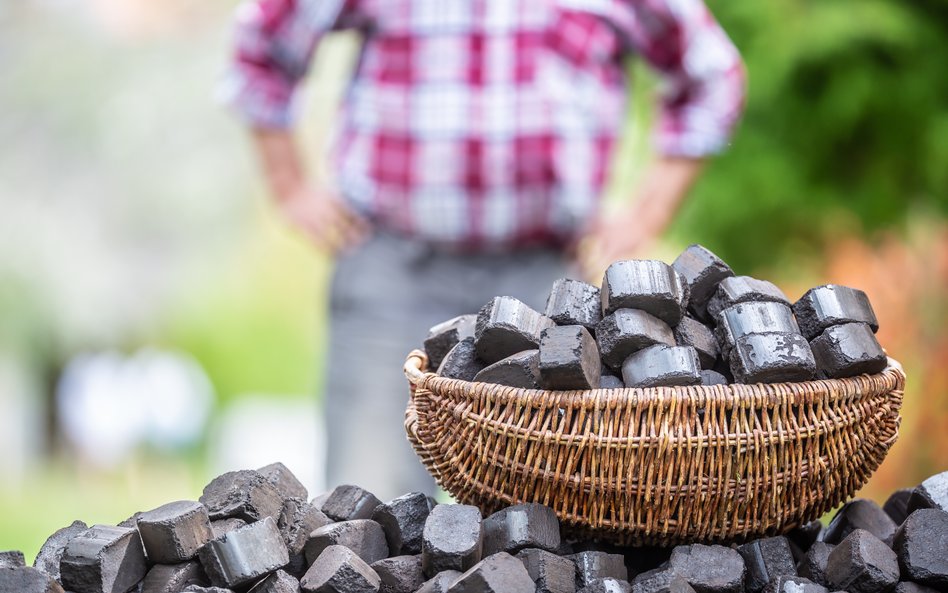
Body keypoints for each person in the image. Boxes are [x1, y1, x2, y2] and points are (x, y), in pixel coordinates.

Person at [223, 0, 745, 499]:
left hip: (552, 290)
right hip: (393, 275)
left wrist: (646, 215)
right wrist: (289, 185)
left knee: (556, 514)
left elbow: (711, 75)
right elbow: (262, 42)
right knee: (365, 511)